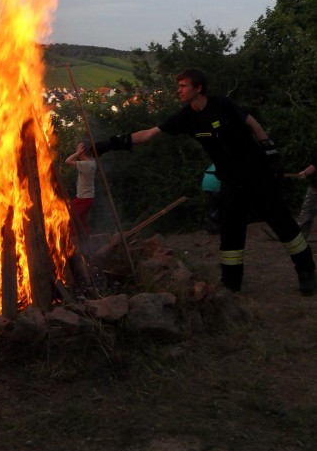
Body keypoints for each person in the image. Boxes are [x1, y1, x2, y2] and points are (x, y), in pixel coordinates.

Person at [109, 67, 316, 295]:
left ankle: (306, 273)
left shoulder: (222, 105)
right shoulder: (185, 117)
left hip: (258, 174)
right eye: (178, 86)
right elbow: (148, 134)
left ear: (198, 88)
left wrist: (271, 154)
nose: (178, 90)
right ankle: (231, 283)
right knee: (230, 233)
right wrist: (107, 145)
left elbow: (253, 124)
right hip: (231, 182)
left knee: (283, 224)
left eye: (183, 86)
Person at [65, 141, 96, 237]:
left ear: (83, 151)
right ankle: (86, 239)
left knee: (70, 217)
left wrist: (77, 153)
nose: (76, 150)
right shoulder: (92, 162)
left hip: (83, 198)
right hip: (88, 198)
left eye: (78, 148)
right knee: (81, 221)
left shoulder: (86, 164)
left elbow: (67, 161)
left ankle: (73, 239)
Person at [297, 152, 317, 239]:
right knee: (307, 214)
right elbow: (313, 167)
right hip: (315, 187)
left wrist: (305, 172)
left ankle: (299, 240)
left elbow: (313, 167)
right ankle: (300, 239)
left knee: (306, 214)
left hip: (314, 188)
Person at [201, 162, 221, 234]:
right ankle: (212, 218)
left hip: (206, 185)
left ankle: (212, 229)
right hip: (216, 184)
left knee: (213, 206)